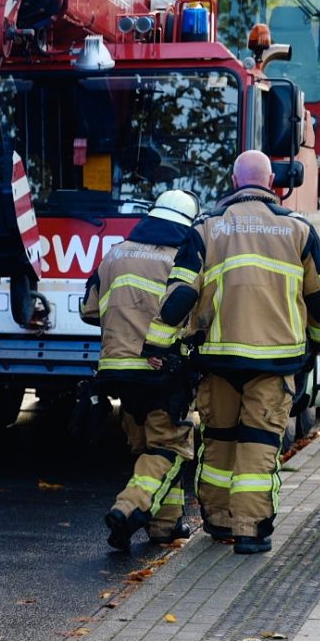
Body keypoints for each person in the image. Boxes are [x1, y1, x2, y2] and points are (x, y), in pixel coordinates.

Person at [144, 151, 320, 554]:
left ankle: (217, 522)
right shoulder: (298, 229)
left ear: (234, 181)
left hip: (217, 360)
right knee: (259, 444)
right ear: (272, 183)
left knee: (218, 441)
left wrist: (157, 343)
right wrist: (319, 342)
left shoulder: (206, 228)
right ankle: (250, 532)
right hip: (275, 361)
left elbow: (180, 294)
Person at [84, 189, 201, 552]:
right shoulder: (180, 259)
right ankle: (128, 507)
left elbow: (88, 310)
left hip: (115, 369)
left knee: (147, 447)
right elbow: (191, 313)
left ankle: (165, 527)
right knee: (171, 447)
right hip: (159, 369)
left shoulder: (114, 253)